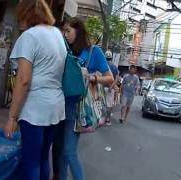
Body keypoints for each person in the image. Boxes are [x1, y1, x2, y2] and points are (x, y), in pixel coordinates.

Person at [3, 0, 67, 179]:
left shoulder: (29, 37)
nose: (20, 21)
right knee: (42, 159)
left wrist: (12, 117)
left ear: (27, 14)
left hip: (35, 109)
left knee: (31, 162)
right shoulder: (56, 33)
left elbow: (23, 80)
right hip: (56, 107)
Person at [52, 17, 113, 180]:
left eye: (68, 31)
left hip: (77, 108)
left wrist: (92, 78)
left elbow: (110, 79)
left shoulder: (94, 51)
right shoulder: (65, 50)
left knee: (69, 151)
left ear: (77, 31)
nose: (65, 34)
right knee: (58, 148)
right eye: (63, 31)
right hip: (58, 105)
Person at [104, 50, 119, 126]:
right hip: (111, 89)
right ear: (111, 58)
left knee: (100, 103)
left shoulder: (103, 65)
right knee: (109, 105)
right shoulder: (114, 67)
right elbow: (117, 79)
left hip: (102, 88)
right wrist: (112, 86)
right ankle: (108, 120)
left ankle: (101, 119)